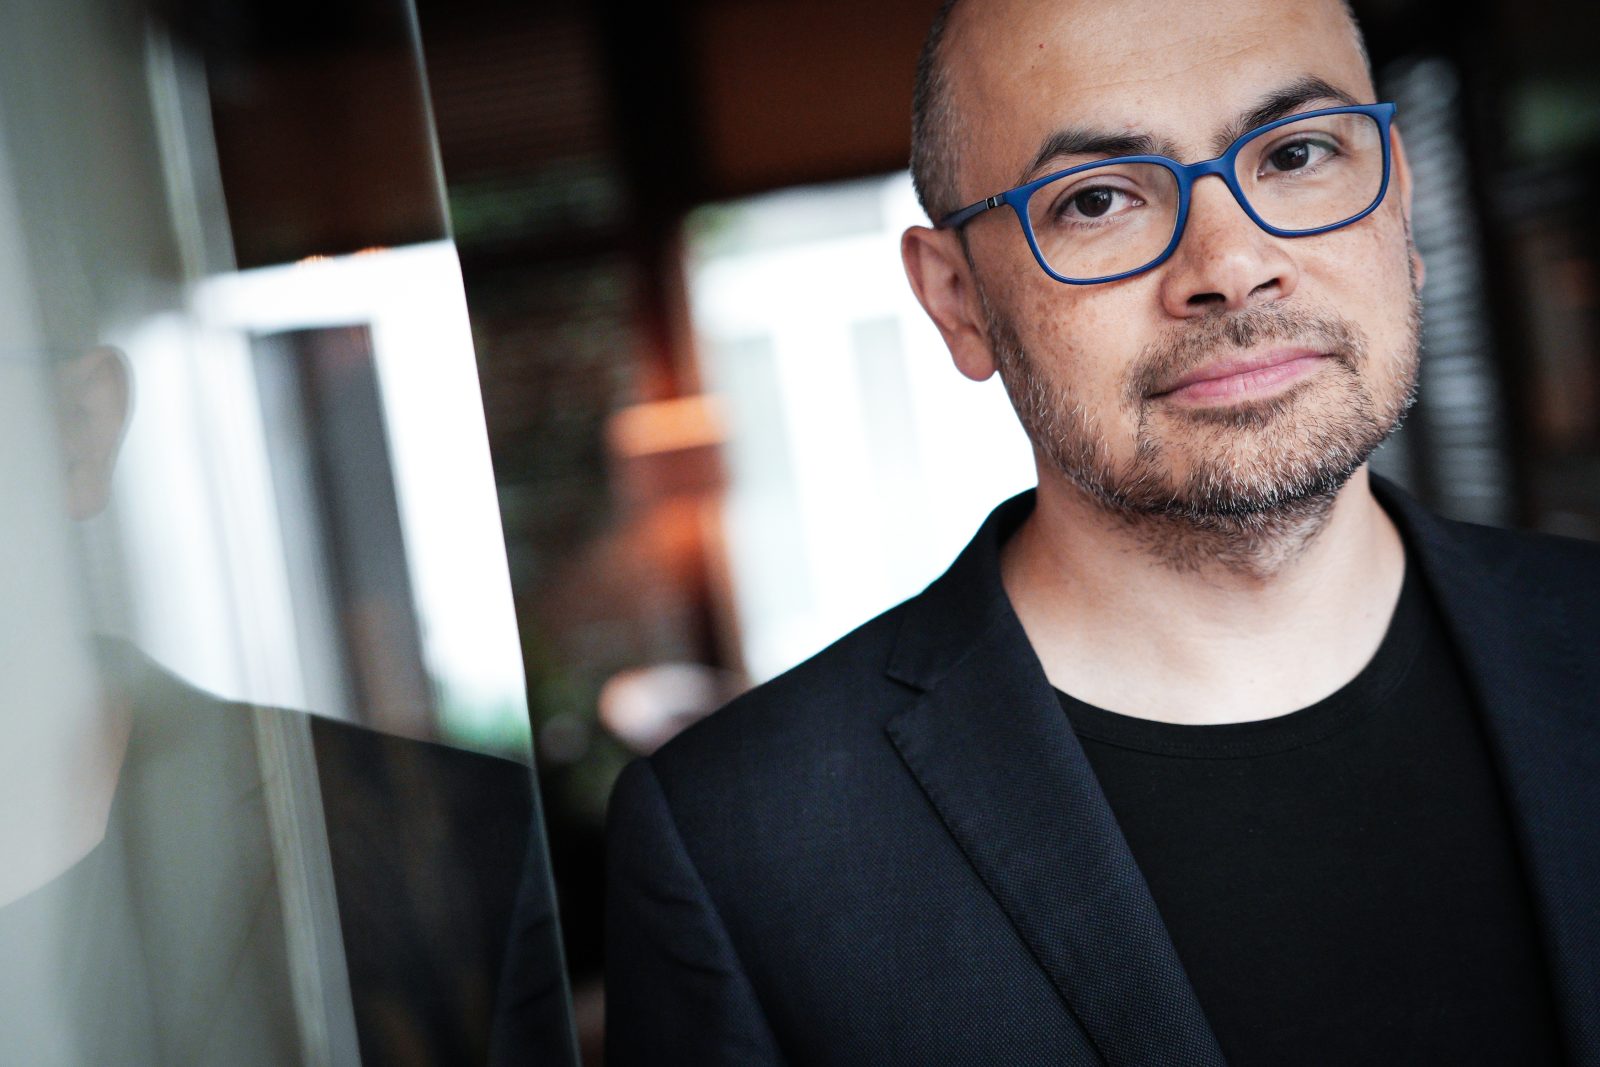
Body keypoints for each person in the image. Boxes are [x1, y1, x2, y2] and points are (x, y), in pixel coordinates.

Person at [604, 0, 1600, 1063]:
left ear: (1397, 198)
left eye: (1297, 153)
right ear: (957, 300)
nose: (1231, 263)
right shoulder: (739, 841)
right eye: (1097, 200)